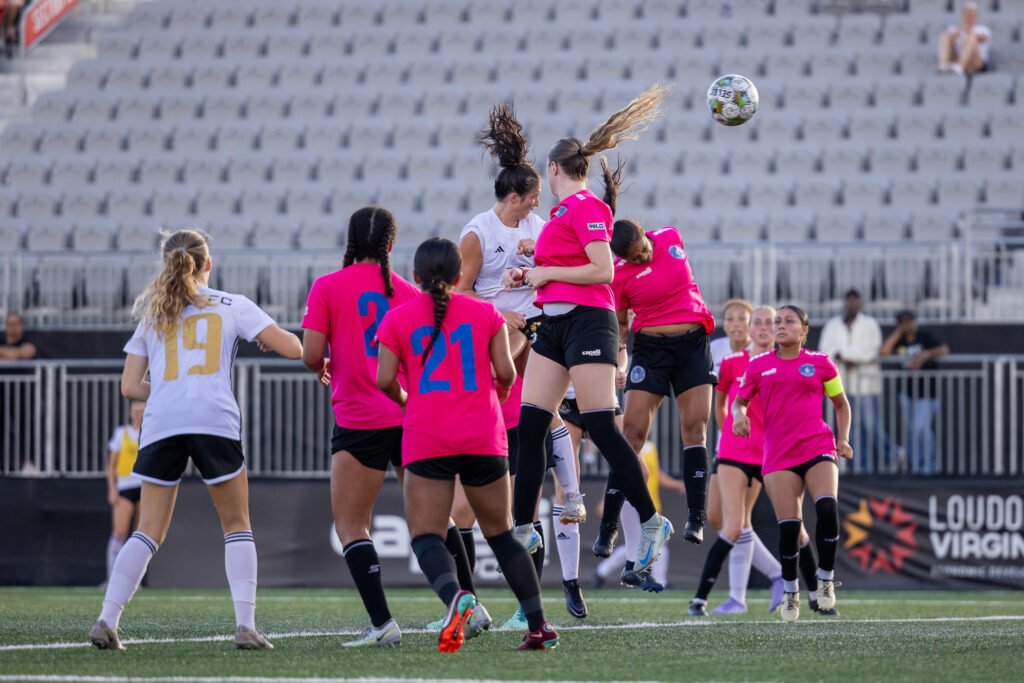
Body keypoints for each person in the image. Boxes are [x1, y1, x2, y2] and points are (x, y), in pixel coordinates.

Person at [89, 229, 302, 650]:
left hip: (163, 421)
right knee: (237, 525)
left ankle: (107, 619)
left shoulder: (154, 314)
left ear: (167, 265)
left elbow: (130, 386)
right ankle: (245, 625)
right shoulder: (233, 305)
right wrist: (263, 336)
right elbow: (295, 348)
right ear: (208, 263)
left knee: (147, 530)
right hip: (213, 419)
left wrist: (171, 386)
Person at [511, 82, 674, 576]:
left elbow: (603, 270)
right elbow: (567, 262)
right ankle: (521, 528)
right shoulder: (563, 212)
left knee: (602, 424)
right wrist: (531, 264)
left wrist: (545, 272)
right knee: (531, 422)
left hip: (588, 324)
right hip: (556, 324)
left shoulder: (584, 207)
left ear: (554, 169)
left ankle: (651, 520)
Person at [376, 237, 558, 652]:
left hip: (427, 434)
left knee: (426, 535)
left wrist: (409, 400)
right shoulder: (485, 312)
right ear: (460, 276)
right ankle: (538, 625)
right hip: (483, 433)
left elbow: (384, 379)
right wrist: (493, 395)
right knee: (501, 534)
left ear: (417, 277)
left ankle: (457, 597)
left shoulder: (398, 319)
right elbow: (507, 373)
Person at [302, 207, 462, 648]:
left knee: (352, 525)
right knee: (434, 518)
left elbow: (311, 354)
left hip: (359, 418)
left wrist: (328, 361)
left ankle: (382, 623)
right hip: (411, 415)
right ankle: (468, 601)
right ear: (391, 245)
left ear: (349, 241)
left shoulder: (327, 287)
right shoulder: (411, 292)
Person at [456, 103, 586, 624]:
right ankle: (467, 602)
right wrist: (500, 316)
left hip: (539, 336)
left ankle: (570, 495)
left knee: (540, 429)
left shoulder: (539, 224)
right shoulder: (478, 233)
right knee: (477, 505)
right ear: (514, 197)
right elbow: (462, 293)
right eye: (533, 195)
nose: (539, 202)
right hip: (496, 345)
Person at [733, 305, 853, 623]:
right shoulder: (759, 366)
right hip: (778, 455)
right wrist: (738, 415)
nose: (781, 326)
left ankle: (825, 579)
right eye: (777, 322)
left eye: (788, 321)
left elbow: (841, 404)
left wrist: (843, 439)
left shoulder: (820, 364)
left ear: (804, 330)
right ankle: (791, 592)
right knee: (789, 528)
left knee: (827, 507)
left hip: (818, 446)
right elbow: (739, 400)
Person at [818, 289, 899, 471]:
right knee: (851, 430)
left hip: (866, 386)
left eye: (855, 301)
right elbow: (825, 351)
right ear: (845, 303)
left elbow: (872, 351)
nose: (852, 305)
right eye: (849, 301)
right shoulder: (833, 325)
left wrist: (847, 356)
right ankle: (861, 467)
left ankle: (892, 455)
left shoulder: (870, 324)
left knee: (870, 425)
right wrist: (842, 357)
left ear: (860, 303)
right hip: (842, 386)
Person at [593, 439, 684, 591]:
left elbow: (657, 474)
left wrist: (676, 484)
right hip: (632, 500)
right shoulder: (626, 443)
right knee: (652, 542)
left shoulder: (650, 447)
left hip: (651, 503)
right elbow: (616, 474)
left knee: (640, 544)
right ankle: (660, 581)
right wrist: (605, 500)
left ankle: (602, 571)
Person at [880, 310, 950, 475]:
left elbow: (945, 349)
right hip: (907, 394)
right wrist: (898, 332)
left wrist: (927, 354)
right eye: (902, 322)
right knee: (912, 431)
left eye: (909, 321)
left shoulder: (924, 336)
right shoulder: (899, 340)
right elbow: (884, 352)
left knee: (921, 428)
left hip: (927, 394)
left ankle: (929, 466)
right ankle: (917, 467)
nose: (906, 324)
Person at [104, 400, 145, 583]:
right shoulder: (122, 433)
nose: (138, 413)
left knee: (141, 534)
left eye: (142, 410)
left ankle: (133, 580)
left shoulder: (150, 433)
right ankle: (112, 578)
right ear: (130, 413)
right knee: (119, 532)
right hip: (125, 487)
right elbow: (111, 466)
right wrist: (112, 489)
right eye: (135, 410)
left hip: (145, 487)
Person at [938, 2, 991, 77]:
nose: (970, 17)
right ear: (963, 14)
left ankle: (960, 66)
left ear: (977, 16)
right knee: (944, 36)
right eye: (967, 14)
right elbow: (947, 38)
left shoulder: (983, 29)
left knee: (972, 38)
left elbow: (984, 38)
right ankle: (943, 65)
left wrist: (969, 31)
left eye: (973, 14)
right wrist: (957, 34)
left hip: (975, 63)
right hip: (956, 58)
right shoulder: (954, 29)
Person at [709, 300, 752, 376]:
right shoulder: (714, 347)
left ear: (751, 323)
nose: (736, 324)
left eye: (742, 318)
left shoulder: (760, 350)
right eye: (730, 319)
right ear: (724, 325)